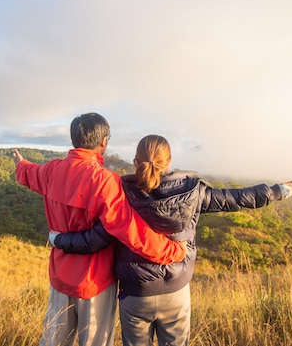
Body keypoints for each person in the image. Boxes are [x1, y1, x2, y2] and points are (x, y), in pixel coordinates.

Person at [52, 134, 292, 346]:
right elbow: (234, 198)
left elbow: (96, 239)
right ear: (168, 162)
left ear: (136, 161)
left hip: (134, 295)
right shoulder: (192, 192)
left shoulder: (120, 195)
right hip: (176, 290)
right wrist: (276, 191)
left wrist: (59, 240)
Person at [12, 114, 187, 346]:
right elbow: (131, 231)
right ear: (104, 141)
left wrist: (21, 164)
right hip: (94, 283)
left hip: (59, 277)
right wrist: (173, 252)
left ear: (74, 139)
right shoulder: (105, 181)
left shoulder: (51, 171)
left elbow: (29, 173)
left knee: (53, 342)